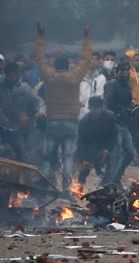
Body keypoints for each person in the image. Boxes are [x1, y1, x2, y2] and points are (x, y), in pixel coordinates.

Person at [36, 21, 92, 194]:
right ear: (68, 65)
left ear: (55, 66)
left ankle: (42, 189)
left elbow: (40, 58)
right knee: (68, 157)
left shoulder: (49, 76)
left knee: (48, 157)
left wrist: (41, 37)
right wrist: (86, 37)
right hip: (70, 122)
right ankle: (66, 191)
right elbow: (86, 59)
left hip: (52, 121)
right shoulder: (74, 77)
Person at [0, 62, 46, 163]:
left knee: (23, 155)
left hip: (14, 128)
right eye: (9, 76)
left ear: (18, 75)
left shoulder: (24, 88)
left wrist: (41, 111)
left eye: (14, 76)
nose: (11, 79)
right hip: (1, 126)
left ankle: (25, 177)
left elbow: (38, 101)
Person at [103, 61, 136, 184]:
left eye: (127, 70)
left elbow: (127, 102)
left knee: (130, 153)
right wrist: (121, 109)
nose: (124, 73)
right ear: (116, 72)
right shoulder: (112, 84)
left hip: (123, 123)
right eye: (122, 70)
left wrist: (131, 106)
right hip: (113, 123)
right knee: (114, 155)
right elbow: (108, 103)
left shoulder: (127, 85)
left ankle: (116, 178)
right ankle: (107, 183)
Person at [77, 96, 117, 184]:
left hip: (107, 142)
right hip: (92, 143)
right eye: (93, 108)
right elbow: (81, 142)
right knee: (87, 164)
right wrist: (83, 158)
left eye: (97, 108)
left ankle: (107, 183)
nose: (95, 111)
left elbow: (114, 136)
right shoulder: (84, 121)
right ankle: (80, 184)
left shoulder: (110, 117)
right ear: (89, 108)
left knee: (113, 159)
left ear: (102, 107)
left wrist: (107, 150)